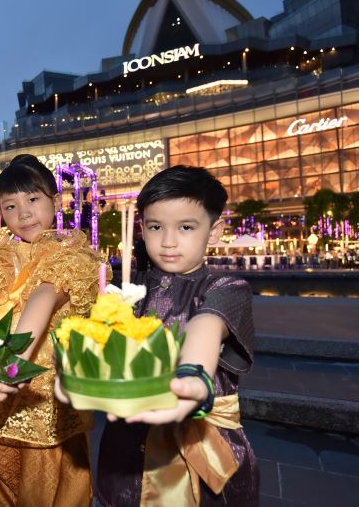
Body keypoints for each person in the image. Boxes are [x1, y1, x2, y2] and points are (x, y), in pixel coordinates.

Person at [92, 165, 258, 506]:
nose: (168, 241)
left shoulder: (226, 287)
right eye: (156, 227)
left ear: (214, 232)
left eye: (186, 227)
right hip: (125, 456)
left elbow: (207, 326)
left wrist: (192, 376)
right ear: (141, 228)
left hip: (202, 456)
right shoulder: (127, 287)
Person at [0, 154, 104, 505]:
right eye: (11, 205)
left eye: (33, 200)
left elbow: (44, 299)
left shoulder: (69, 254)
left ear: (54, 200)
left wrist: (12, 364)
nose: (24, 213)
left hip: (44, 400)